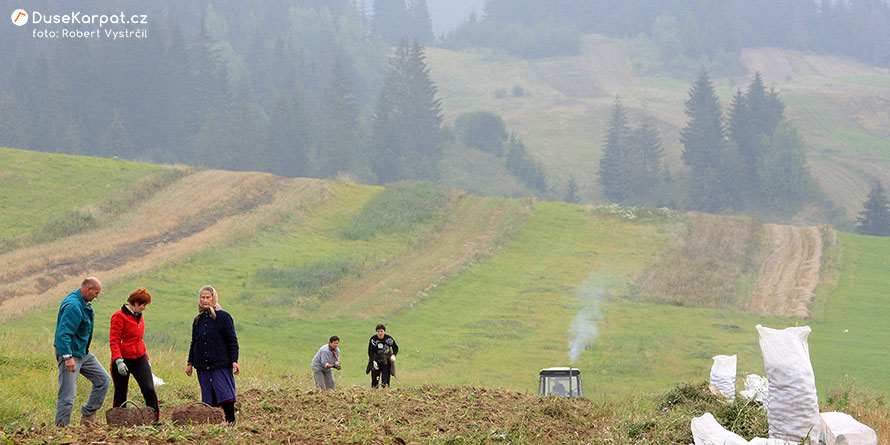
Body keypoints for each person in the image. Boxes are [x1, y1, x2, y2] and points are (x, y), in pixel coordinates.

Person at [53, 277, 111, 426]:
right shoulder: (73, 305)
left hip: (83, 353)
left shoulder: (84, 303)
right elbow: (63, 334)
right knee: (68, 395)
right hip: (70, 354)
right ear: (88, 289)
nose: (97, 296)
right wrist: (67, 357)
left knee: (103, 379)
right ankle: (61, 428)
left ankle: (88, 416)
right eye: (96, 293)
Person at [185, 285, 239, 424]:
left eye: (208, 297)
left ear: (214, 298)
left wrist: (234, 360)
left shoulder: (224, 317)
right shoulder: (198, 320)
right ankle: (214, 424)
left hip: (220, 363)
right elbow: (194, 342)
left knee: (225, 394)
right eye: (202, 297)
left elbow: (232, 340)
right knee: (209, 397)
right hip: (203, 365)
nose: (205, 300)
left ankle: (230, 422)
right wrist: (190, 363)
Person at [109, 287, 159, 421]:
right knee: (120, 393)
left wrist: (146, 358)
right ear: (135, 303)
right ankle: (118, 422)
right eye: (143, 305)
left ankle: (155, 420)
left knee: (149, 389)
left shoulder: (139, 316)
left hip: (139, 358)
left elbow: (138, 339)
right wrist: (118, 360)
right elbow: (114, 340)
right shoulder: (118, 316)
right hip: (123, 359)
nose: (144, 308)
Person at [367, 324, 398, 388]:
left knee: (386, 377)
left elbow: (395, 347)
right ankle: (374, 390)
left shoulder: (389, 339)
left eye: (381, 331)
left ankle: (385, 389)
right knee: (375, 378)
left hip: (386, 361)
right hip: (376, 360)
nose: (380, 333)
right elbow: (370, 351)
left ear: (384, 331)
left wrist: (393, 355)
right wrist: (373, 360)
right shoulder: (373, 340)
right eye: (378, 331)